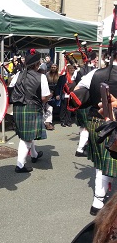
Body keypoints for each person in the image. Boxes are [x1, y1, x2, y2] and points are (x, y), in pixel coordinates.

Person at [70, 41, 117, 216]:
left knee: (101, 164)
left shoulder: (94, 74)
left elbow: (77, 91)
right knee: (110, 162)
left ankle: (97, 202)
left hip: (98, 121)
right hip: (111, 121)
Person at [9, 49, 51, 173]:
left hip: (18, 107)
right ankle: (20, 165)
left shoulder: (18, 75)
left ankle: (34, 154)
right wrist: (49, 96)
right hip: (32, 107)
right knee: (26, 138)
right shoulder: (41, 77)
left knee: (26, 133)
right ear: (37, 64)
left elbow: (11, 88)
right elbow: (44, 97)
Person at [44, 63, 60, 130]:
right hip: (47, 92)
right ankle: (45, 123)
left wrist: (56, 94)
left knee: (50, 107)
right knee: (45, 108)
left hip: (55, 92)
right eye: (52, 67)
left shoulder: (58, 75)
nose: (53, 68)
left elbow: (58, 86)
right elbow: (45, 84)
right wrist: (48, 92)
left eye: (54, 67)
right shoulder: (47, 74)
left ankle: (48, 122)